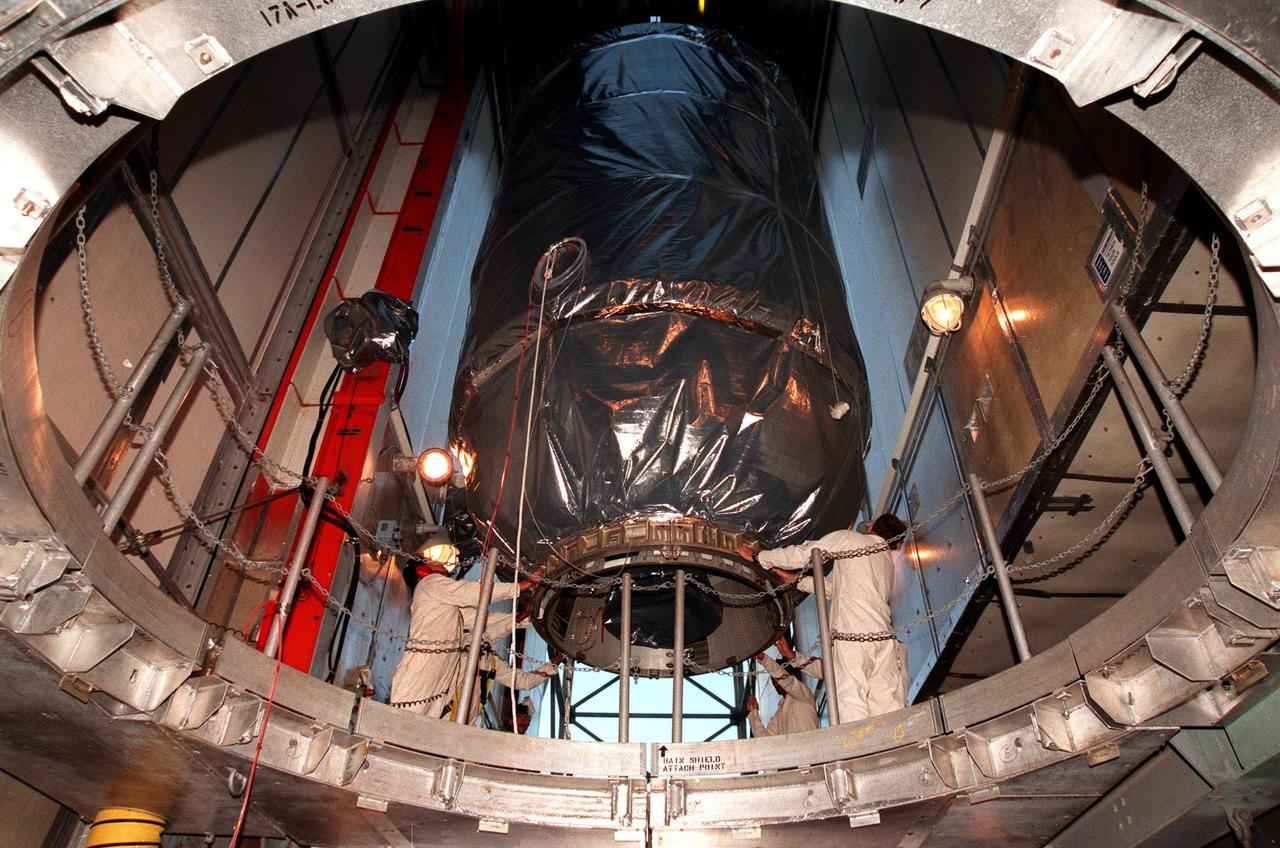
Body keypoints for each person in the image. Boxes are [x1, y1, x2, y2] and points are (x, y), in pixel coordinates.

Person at [737, 514, 909, 724]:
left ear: (872, 527)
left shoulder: (851, 540)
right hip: (884, 642)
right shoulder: (885, 562)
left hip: (853, 639)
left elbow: (804, 554)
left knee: (851, 700)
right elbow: (836, 589)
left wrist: (758, 557)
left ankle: (860, 751)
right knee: (887, 706)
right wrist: (794, 580)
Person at [389, 545, 536, 719]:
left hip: (437, 676)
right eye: (432, 560)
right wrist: (518, 587)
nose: (441, 561)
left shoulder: (450, 607)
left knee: (422, 724)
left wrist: (523, 618)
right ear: (422, 570)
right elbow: (471, 592)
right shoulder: (430, 584)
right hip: (421, 670)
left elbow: (483, 619)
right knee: (405, 719)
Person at [746, 637, 819, 737]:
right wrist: (753, 713)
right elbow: (765, 740)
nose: (776, 683)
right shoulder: (780, 712)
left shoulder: (805, 695)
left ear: (791, 675)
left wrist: (764, 659)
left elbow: (788, 682)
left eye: (777, 680)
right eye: (773, 680)